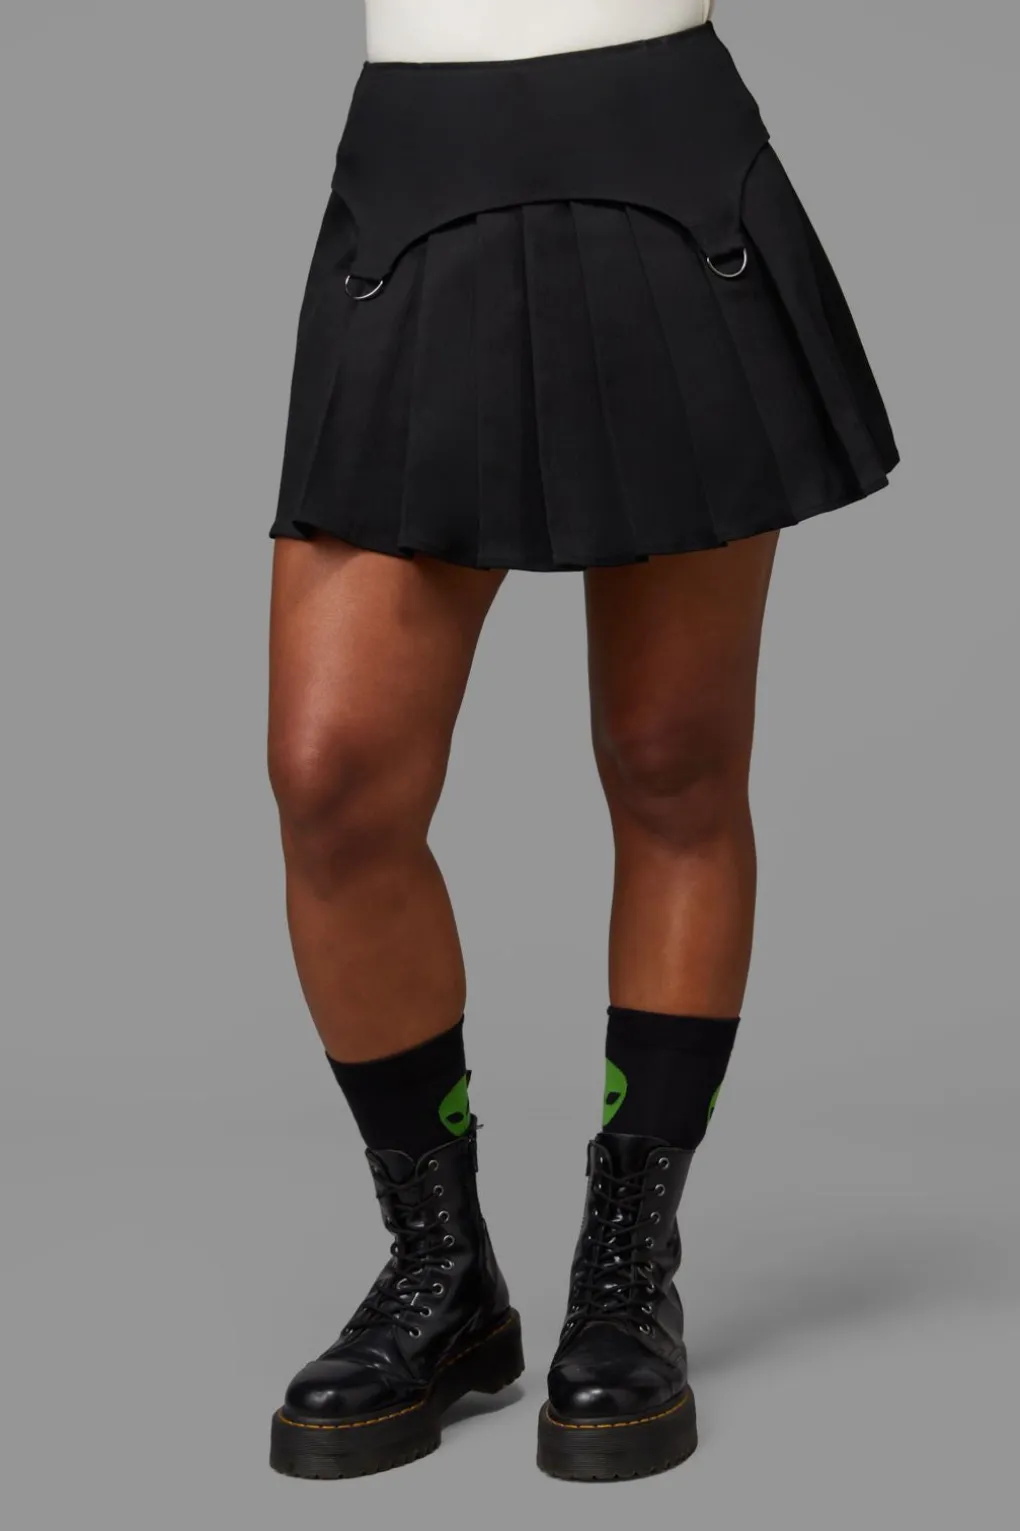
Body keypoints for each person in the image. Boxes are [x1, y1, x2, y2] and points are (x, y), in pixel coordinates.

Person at [266, 0, 899, 1483]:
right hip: (416, 183)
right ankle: (444, 1274)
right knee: (331, 777)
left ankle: (628, 1269)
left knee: (674, 761)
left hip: (667, 173)